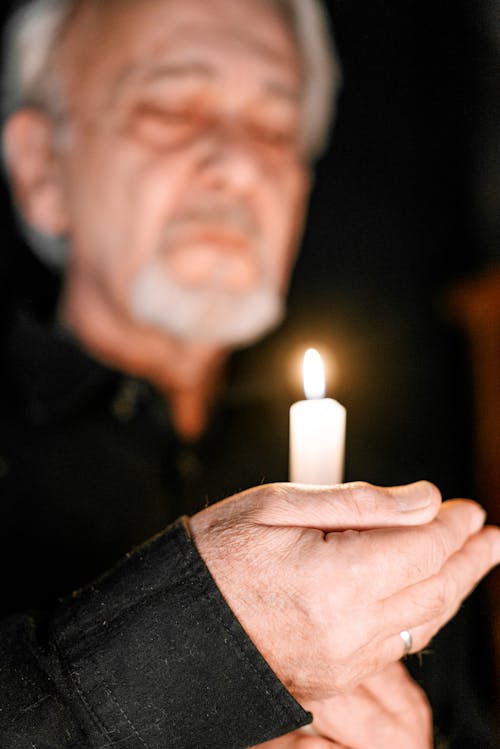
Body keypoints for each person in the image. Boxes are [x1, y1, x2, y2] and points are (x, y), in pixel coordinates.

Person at [0, 0, 498, 747]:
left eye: (274, 127)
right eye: (170, 107)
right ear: (43, 165)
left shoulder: (386, 491)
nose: (239, 165)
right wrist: (199, 657)